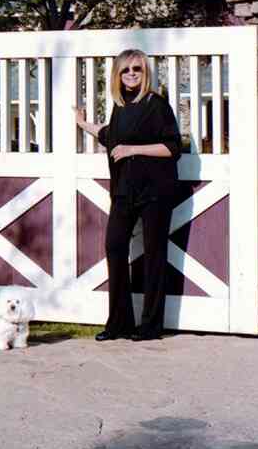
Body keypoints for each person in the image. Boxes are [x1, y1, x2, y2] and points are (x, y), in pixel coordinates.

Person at [75, 49, 182, 341]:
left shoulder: (156, 105)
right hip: (124, 190)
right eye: (126, 70)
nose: (132, 74)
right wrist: (83, 124)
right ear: (118, 75)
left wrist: (133, 149)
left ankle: (150, 327)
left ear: (145, 72)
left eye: (137, 68)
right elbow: (111, 135)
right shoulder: (120, 106)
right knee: (115, 246)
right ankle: (119, 324)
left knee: (154, 254)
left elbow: (173, 147)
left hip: (155, 190)